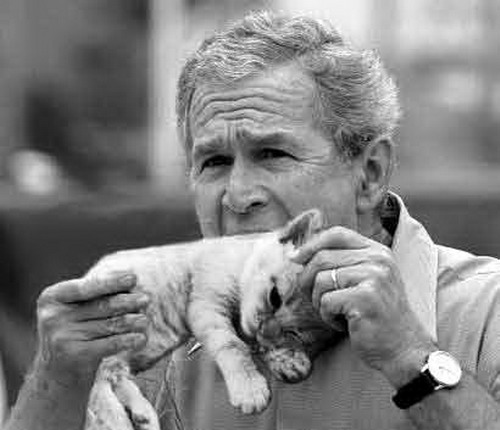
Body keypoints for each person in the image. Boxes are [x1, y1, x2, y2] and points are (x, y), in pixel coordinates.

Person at [5, 10, 500, 430]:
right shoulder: (162, 334)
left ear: (369, 174)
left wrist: (409, 356)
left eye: (272, 154)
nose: (238, 196)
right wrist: (58, 376)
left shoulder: (484, 312)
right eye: (215, 162)